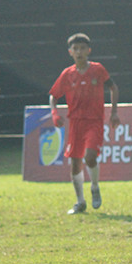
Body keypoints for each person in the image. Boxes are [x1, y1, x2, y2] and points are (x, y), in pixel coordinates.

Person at [49, 33, 120, 214]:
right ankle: (80, 202)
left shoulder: (97, 70)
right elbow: (53, 96)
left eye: (82, 48)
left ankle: (94, 187)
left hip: (94, 122)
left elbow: (113, 87)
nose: (79, 52)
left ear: (89, 51)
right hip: (75, 123)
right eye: (76, 49)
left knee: (89, 157)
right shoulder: (67, 74)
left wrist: (113, 112)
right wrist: (55, 113)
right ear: (70, 52)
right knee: (75, 164)